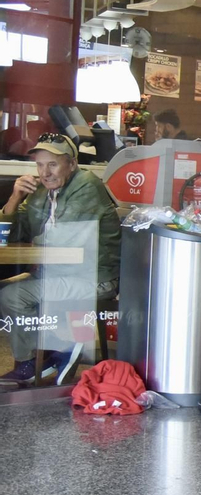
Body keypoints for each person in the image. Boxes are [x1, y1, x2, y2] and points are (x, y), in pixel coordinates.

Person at [0, 133, 121, 385]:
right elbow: (13, 233)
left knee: (13, 296)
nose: (45, 172)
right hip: (56, 273)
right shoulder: (42, 191)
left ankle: (37, 358)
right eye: (40, 165)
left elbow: (64, 241)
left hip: (92, 278)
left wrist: (34, 242)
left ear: (72, 164)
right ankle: (53, 351)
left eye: (52, 164)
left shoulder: (86, 185)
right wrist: (14, 199)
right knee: (4, 289)